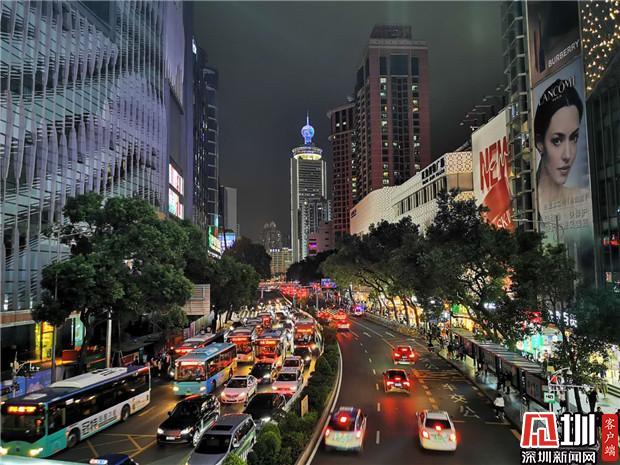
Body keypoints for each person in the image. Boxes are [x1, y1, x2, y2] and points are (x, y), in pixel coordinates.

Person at [534, 78, 586, 217]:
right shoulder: (525, 204)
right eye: (557, 141)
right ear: (540, 143)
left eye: (574, 138)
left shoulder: (583, 199)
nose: (567, 155)